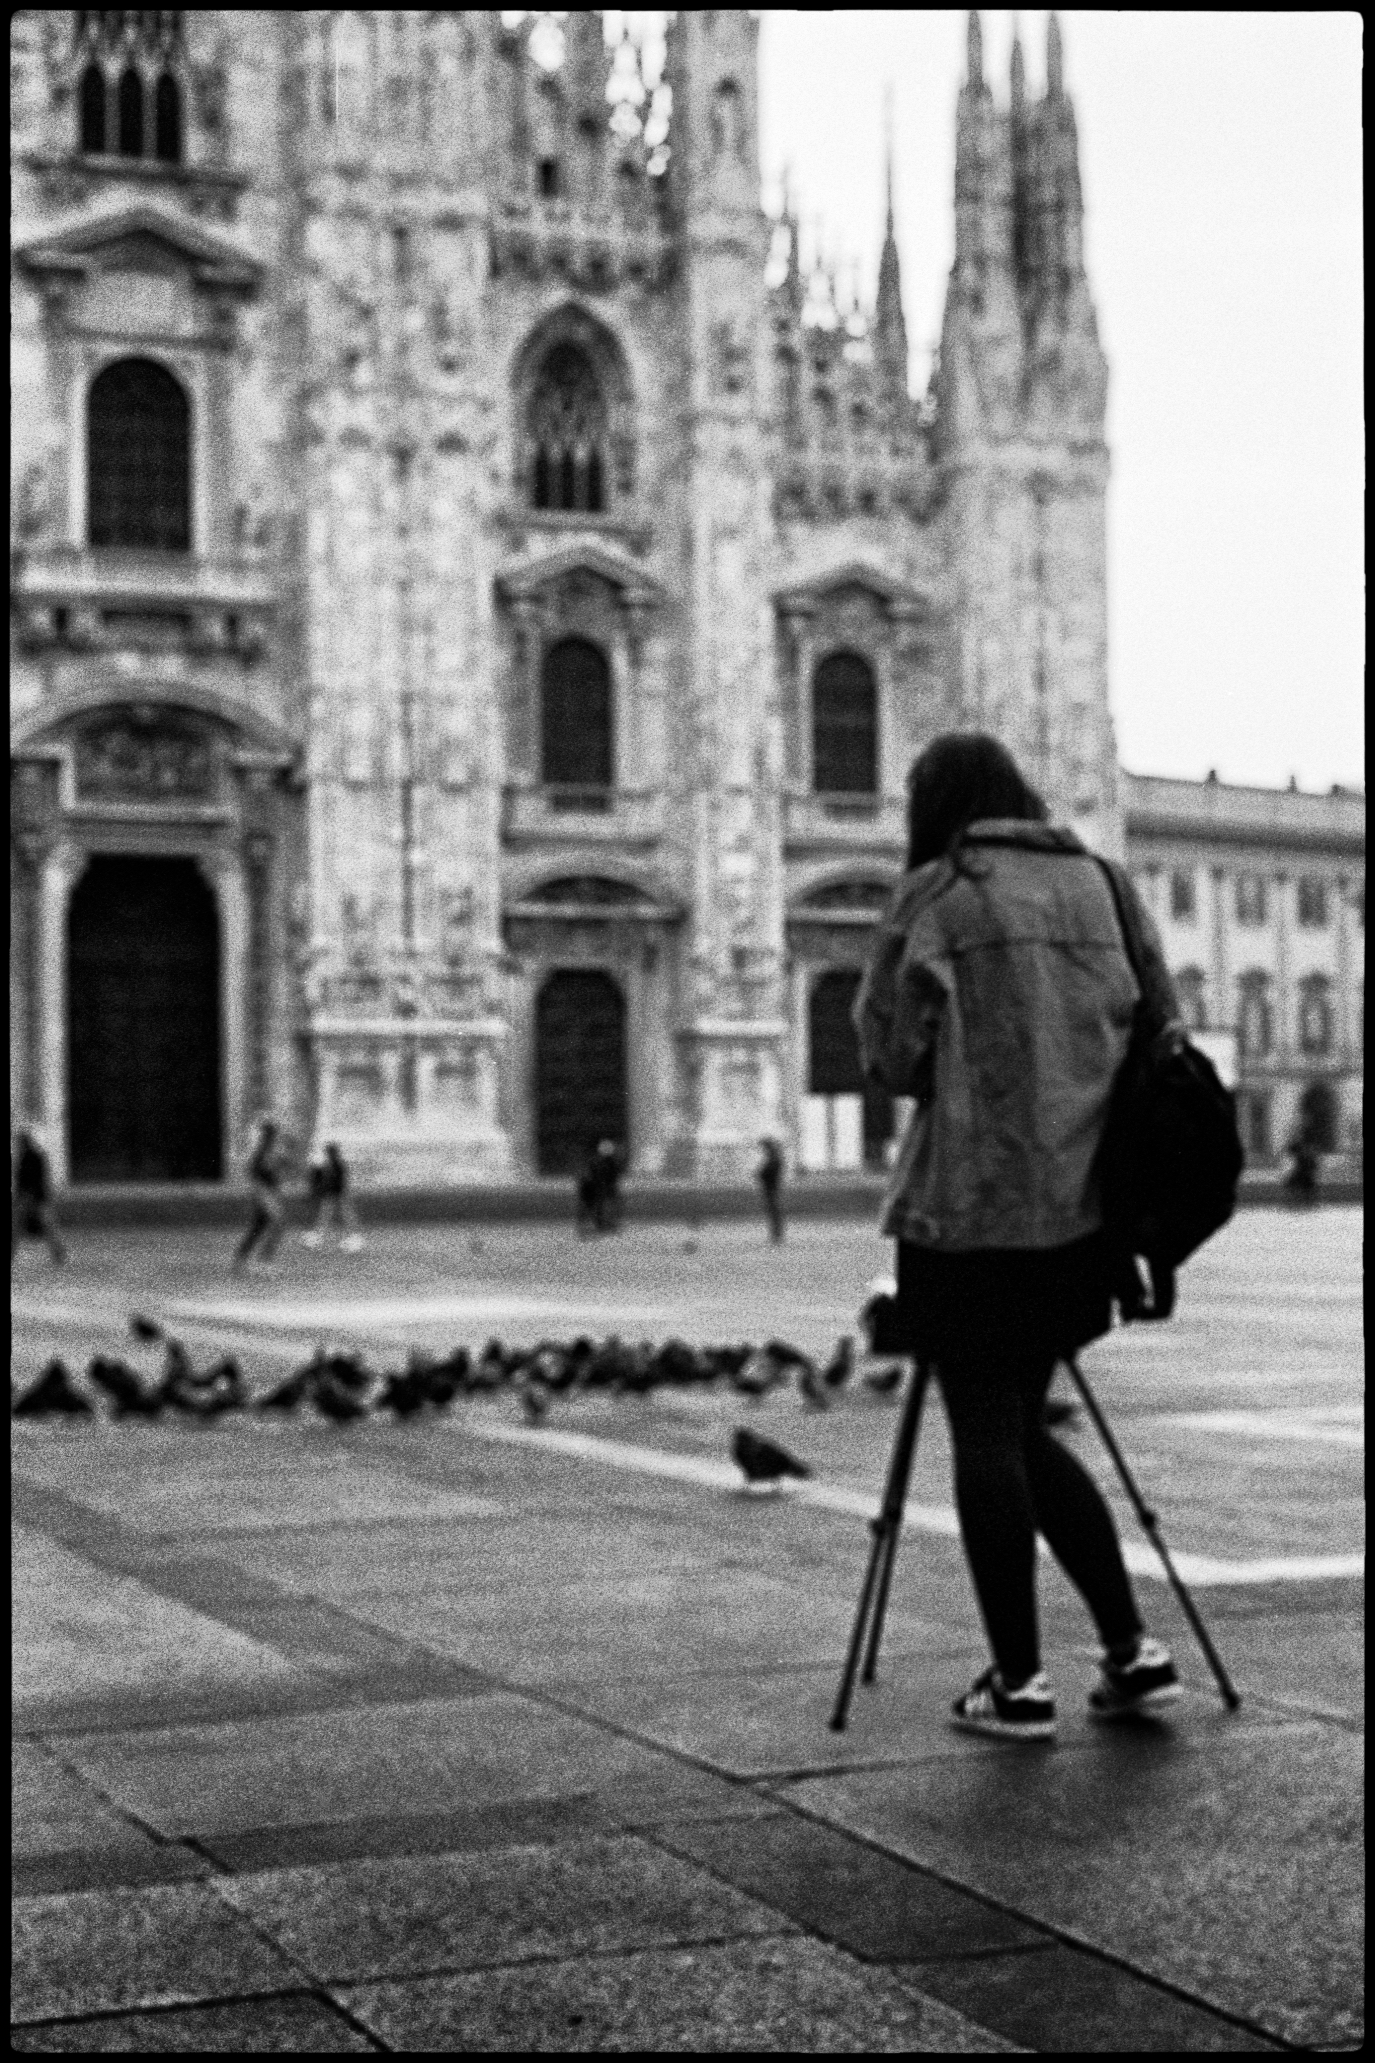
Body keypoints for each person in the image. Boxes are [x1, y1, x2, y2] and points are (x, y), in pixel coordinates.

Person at [855, 732, 1181, 1743]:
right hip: (1081, 1217)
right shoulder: (1106, 885)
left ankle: (1020, 1680)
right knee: (1025, 1425)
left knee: (987, 1430)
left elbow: (889, 1054)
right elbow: (1162, 1030)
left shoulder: (935, 893)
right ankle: (1132, 1652)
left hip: (966, 1211)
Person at [231, 1118, 286, 1274]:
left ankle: (240, 1262)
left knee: (259, 1226)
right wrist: (265, 1195)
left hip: (267, 1192)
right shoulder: (263, 1151)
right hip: (263, 1192)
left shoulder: (268, 1151)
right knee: (278, 1223)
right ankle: (265, 1262)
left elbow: (273, 1173)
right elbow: (256, 1174)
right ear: (271, 1134)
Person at [12, 1128, 66, 1265]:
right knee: (47, 1225)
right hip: (37, 1196)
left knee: (18, 1226)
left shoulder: (27, 1158)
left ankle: (58, 1252)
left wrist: (22, 1196)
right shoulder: (35, 1156)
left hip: (32, 1196)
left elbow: (28, 1180)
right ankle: (58, 1253)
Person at [301, 1141, 365, 1252]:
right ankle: (318, 1238)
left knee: (343, 1215)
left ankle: (354, 1238)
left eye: (329, 1152)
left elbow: (337, 1181)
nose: (328, 1154)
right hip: (333, 1194)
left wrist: (322, 1190)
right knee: (327, 1216)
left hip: (337, 1194)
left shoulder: (335, 1165)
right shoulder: (330, 1164)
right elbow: (328, 1180)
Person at [756, 1136, 785, 1244]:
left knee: (774, 1211)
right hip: (771, 1188)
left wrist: (760, 1173)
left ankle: (776, 1235)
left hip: (771, 1188)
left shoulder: (773, 1159)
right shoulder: (774, 1158)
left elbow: (764, 1173)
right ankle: (776, 1235)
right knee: (773, 1211)